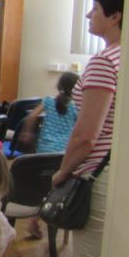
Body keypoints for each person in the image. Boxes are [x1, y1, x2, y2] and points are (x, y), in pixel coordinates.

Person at [51, 0, 124, 257]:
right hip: (119, 167)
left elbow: (86, 136)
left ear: (115, 16)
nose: (88, 15)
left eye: (95, 9)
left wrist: (63, 172)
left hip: (97, 172)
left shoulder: (105, 61)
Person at [20, 71, 80, 239]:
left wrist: (27, 133)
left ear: (59, 86)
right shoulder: (75, 107)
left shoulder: (48, 101)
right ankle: (46, 215)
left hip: (44, 151)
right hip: (62, 154)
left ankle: (35, 214)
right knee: (57, 187)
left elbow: (31, 116)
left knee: (42, 185)